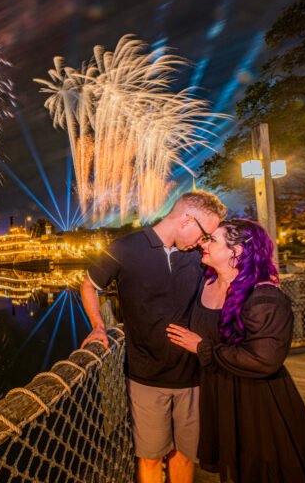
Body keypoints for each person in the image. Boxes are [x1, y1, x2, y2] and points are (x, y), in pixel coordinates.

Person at [80, 191, 226, 483]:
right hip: (145, 375)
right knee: (150, 456)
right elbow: (88, 285)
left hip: (194, 375)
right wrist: (98, 326)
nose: (203, 241)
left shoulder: (199, 256)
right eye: (204, 233)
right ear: (186, 219)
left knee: (185, 455)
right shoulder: (125, 247)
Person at [166, 219, 305, 483]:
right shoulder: (205, 284)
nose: (203, 244)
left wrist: (201, 348)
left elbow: (264, 359)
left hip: (258, 399)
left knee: (264, 469)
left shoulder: (264, 297)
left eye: (212, 240)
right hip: (219, 392)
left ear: (236, 251)